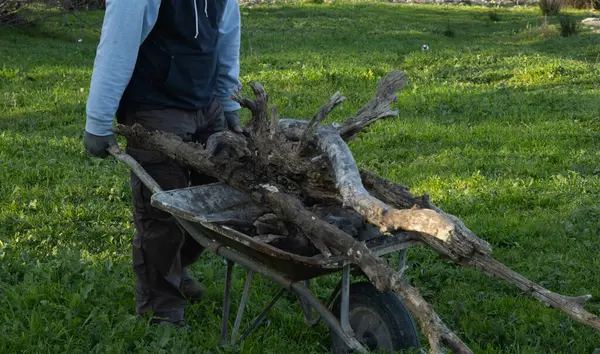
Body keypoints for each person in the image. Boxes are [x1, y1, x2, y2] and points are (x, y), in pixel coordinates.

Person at [82, 0, 243, 327]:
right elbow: (117, 44)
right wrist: (98, 122)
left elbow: (226, 36)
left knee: (215, 201)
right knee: (162, 214)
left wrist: (227, 101)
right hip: (155, 107)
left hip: (206, 104)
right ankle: (161, 312)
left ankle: (177, 269)